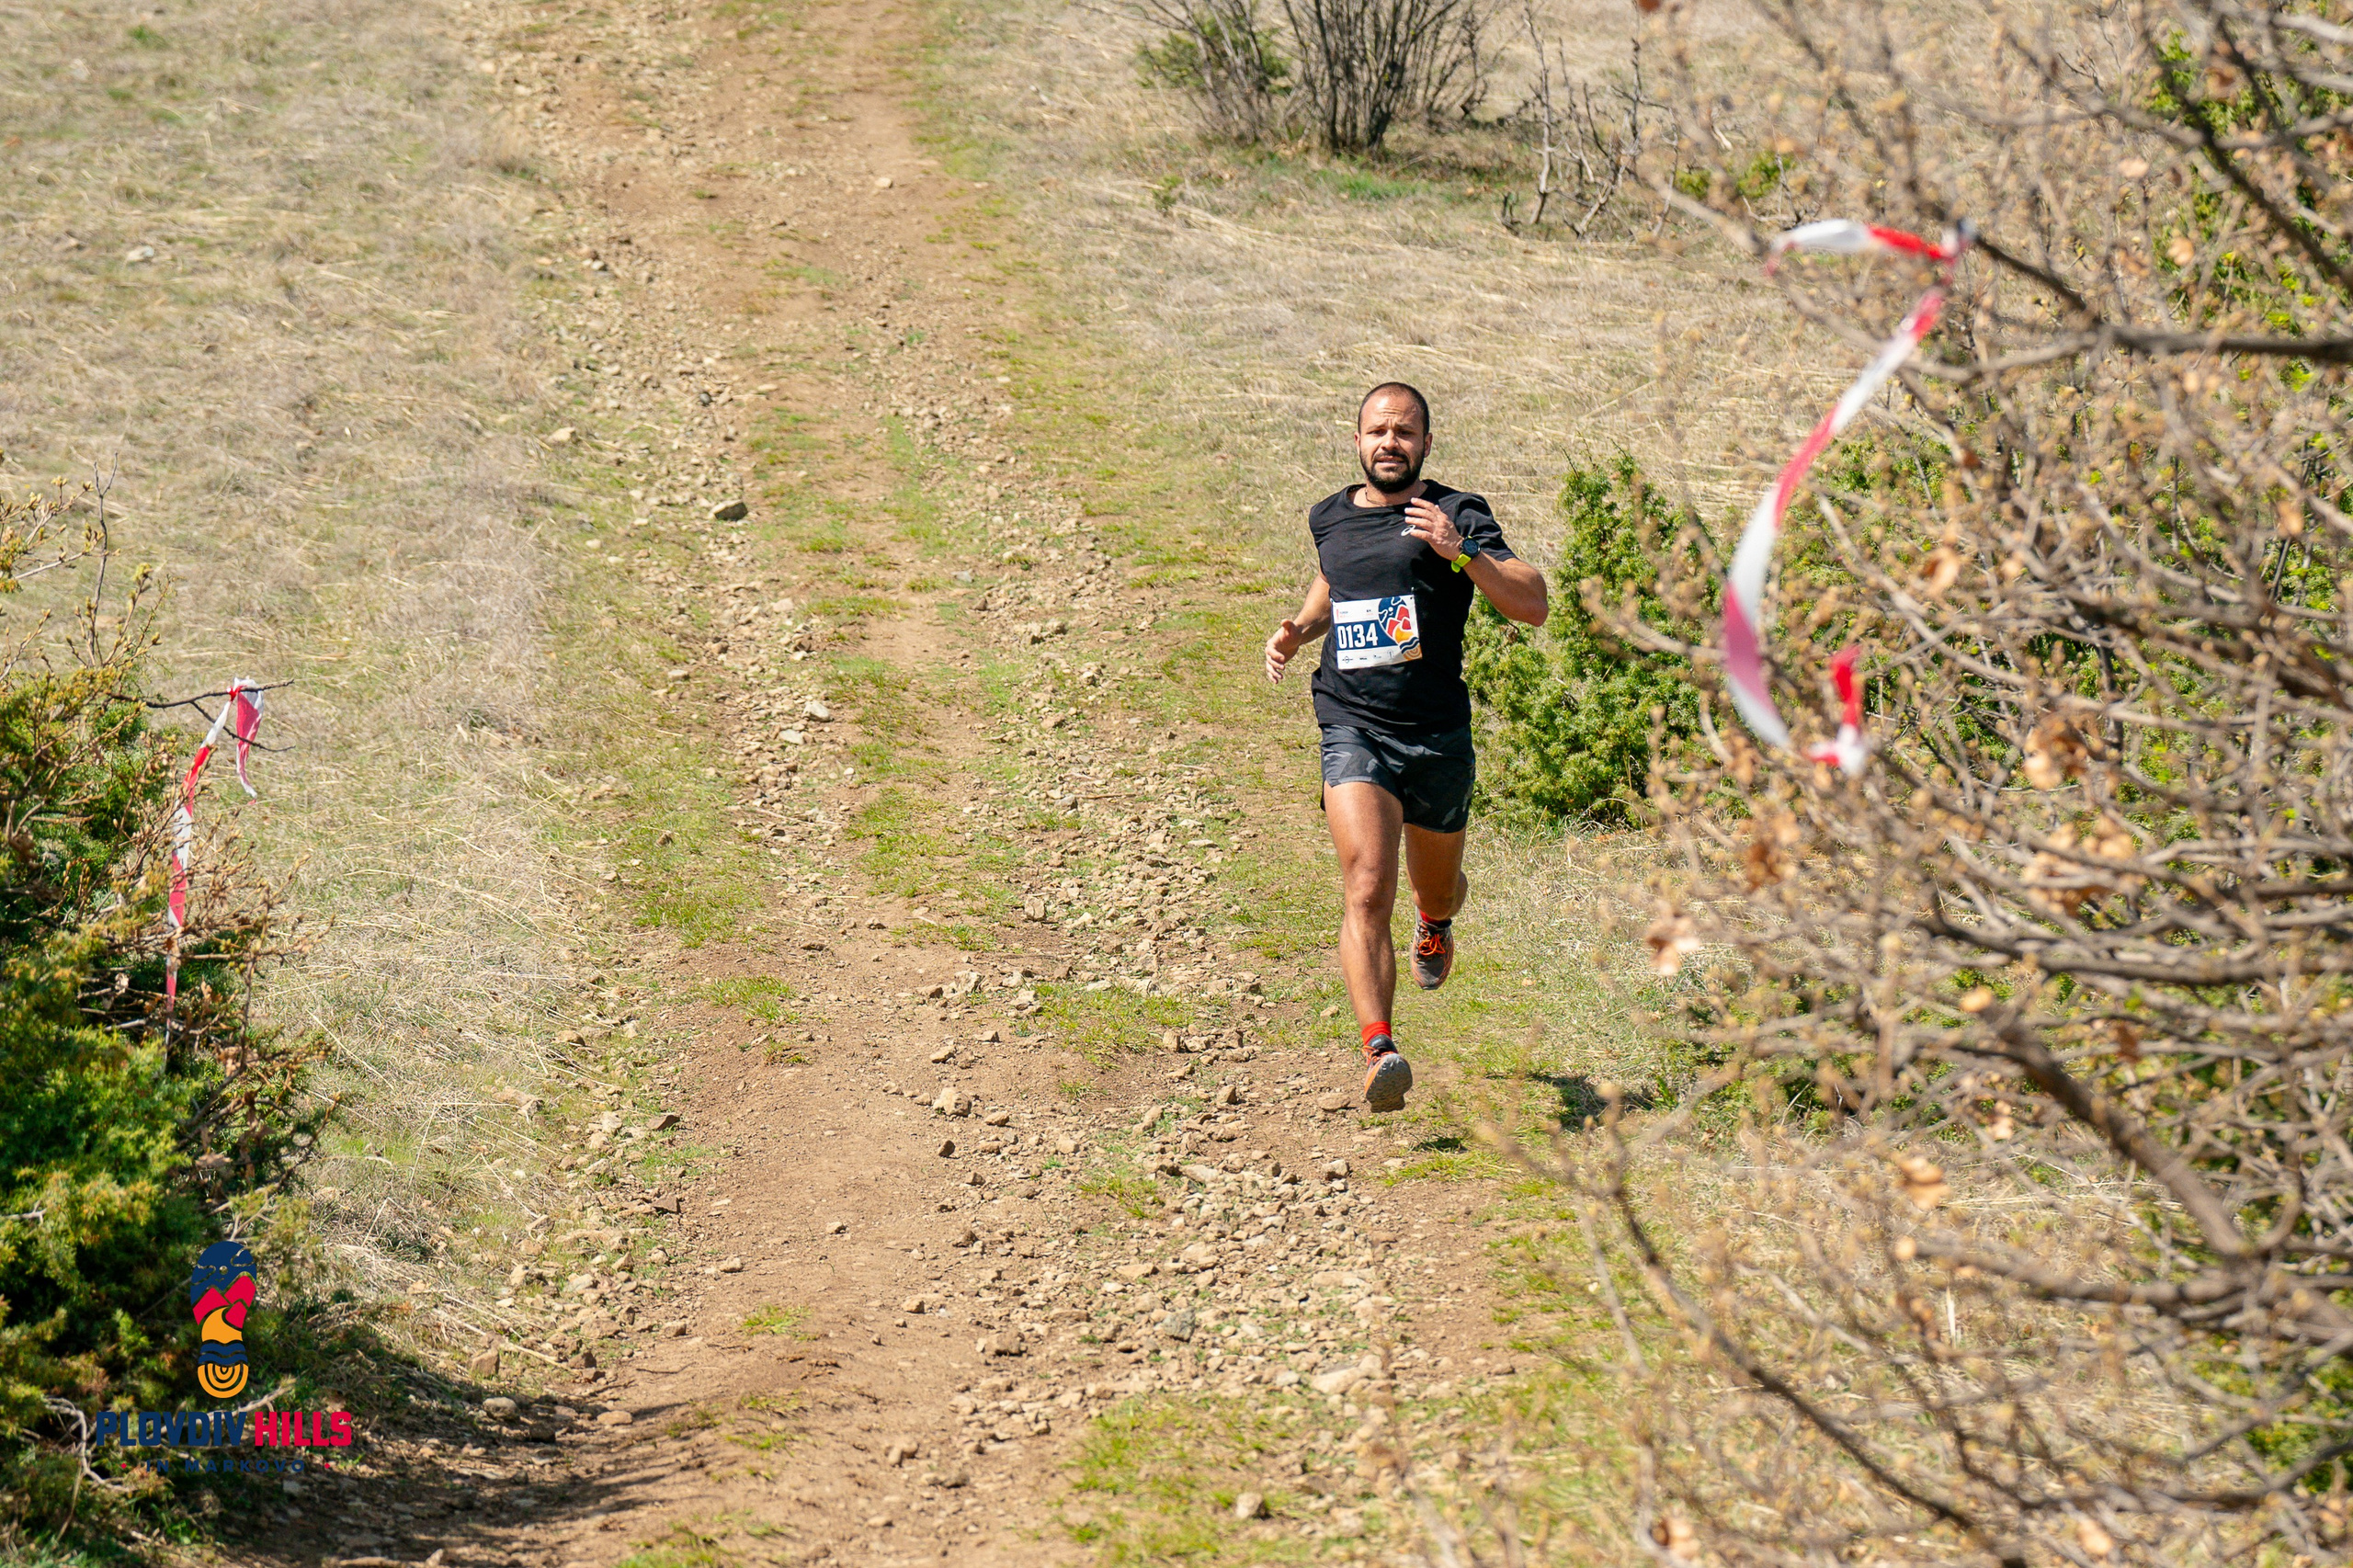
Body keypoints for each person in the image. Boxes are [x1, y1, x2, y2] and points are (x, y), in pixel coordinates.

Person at [1264, 383, 1550, 1111]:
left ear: (1425, 442)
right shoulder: (1329, 516)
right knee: (1366, 885)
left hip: (1436, 734)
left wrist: (1463, 555)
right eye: (1377, 430)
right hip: (1351, 722)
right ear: (1358, 440)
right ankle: (1380, 1049)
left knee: (1433, 886)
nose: (1389, 442)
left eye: (1404, 431)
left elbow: (1533, 602)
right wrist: (1301, 628)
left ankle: (1438, 920)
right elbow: (1338, 580)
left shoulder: (1455, 513)